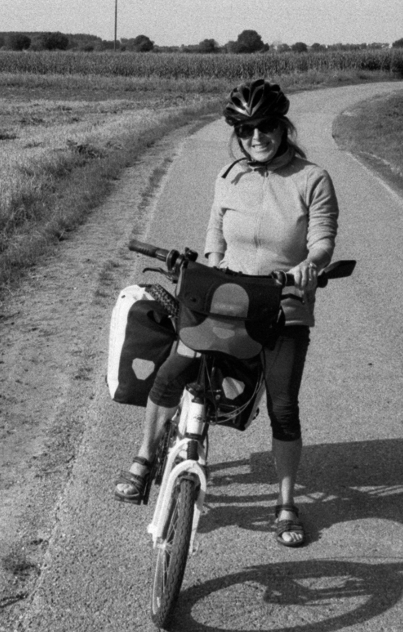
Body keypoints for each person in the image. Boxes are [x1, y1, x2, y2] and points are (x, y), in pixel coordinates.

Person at [113, 79, 339, 548]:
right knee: (171, 373)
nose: (257, 137)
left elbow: (322, 239)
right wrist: (205, 266)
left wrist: (309, 266)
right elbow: (215, 237)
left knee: (283, 406)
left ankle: (286, 502)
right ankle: (144, 458)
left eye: (266, 126)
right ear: (237, 133)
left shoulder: (311, 179)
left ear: (282, 127)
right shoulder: (229, 176)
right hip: (228, 301)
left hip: (283, 305)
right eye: (246, 130)